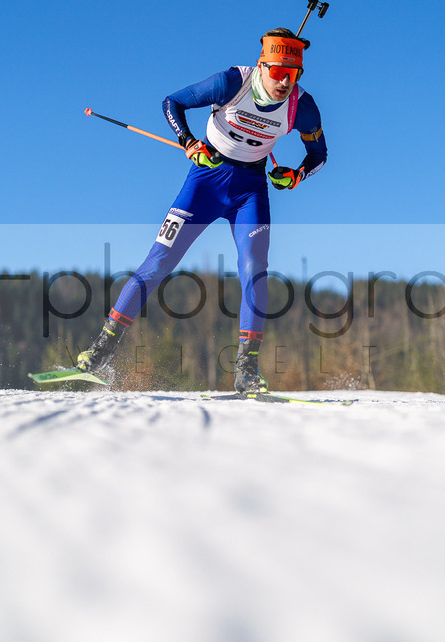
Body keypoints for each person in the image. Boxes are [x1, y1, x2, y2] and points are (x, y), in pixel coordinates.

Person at [76, 27, 327, 392]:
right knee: (160, 261)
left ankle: (247, 369)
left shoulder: (302, 107)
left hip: (250, 192)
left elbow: (319, 155)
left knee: (255, 268)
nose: (285, 81)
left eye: (294, 74)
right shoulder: (231, 83)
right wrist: (189, 141)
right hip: (205, 181)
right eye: (277, 71)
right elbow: (171, 103)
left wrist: (296, 175)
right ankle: (101, 351)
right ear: (262, 66)